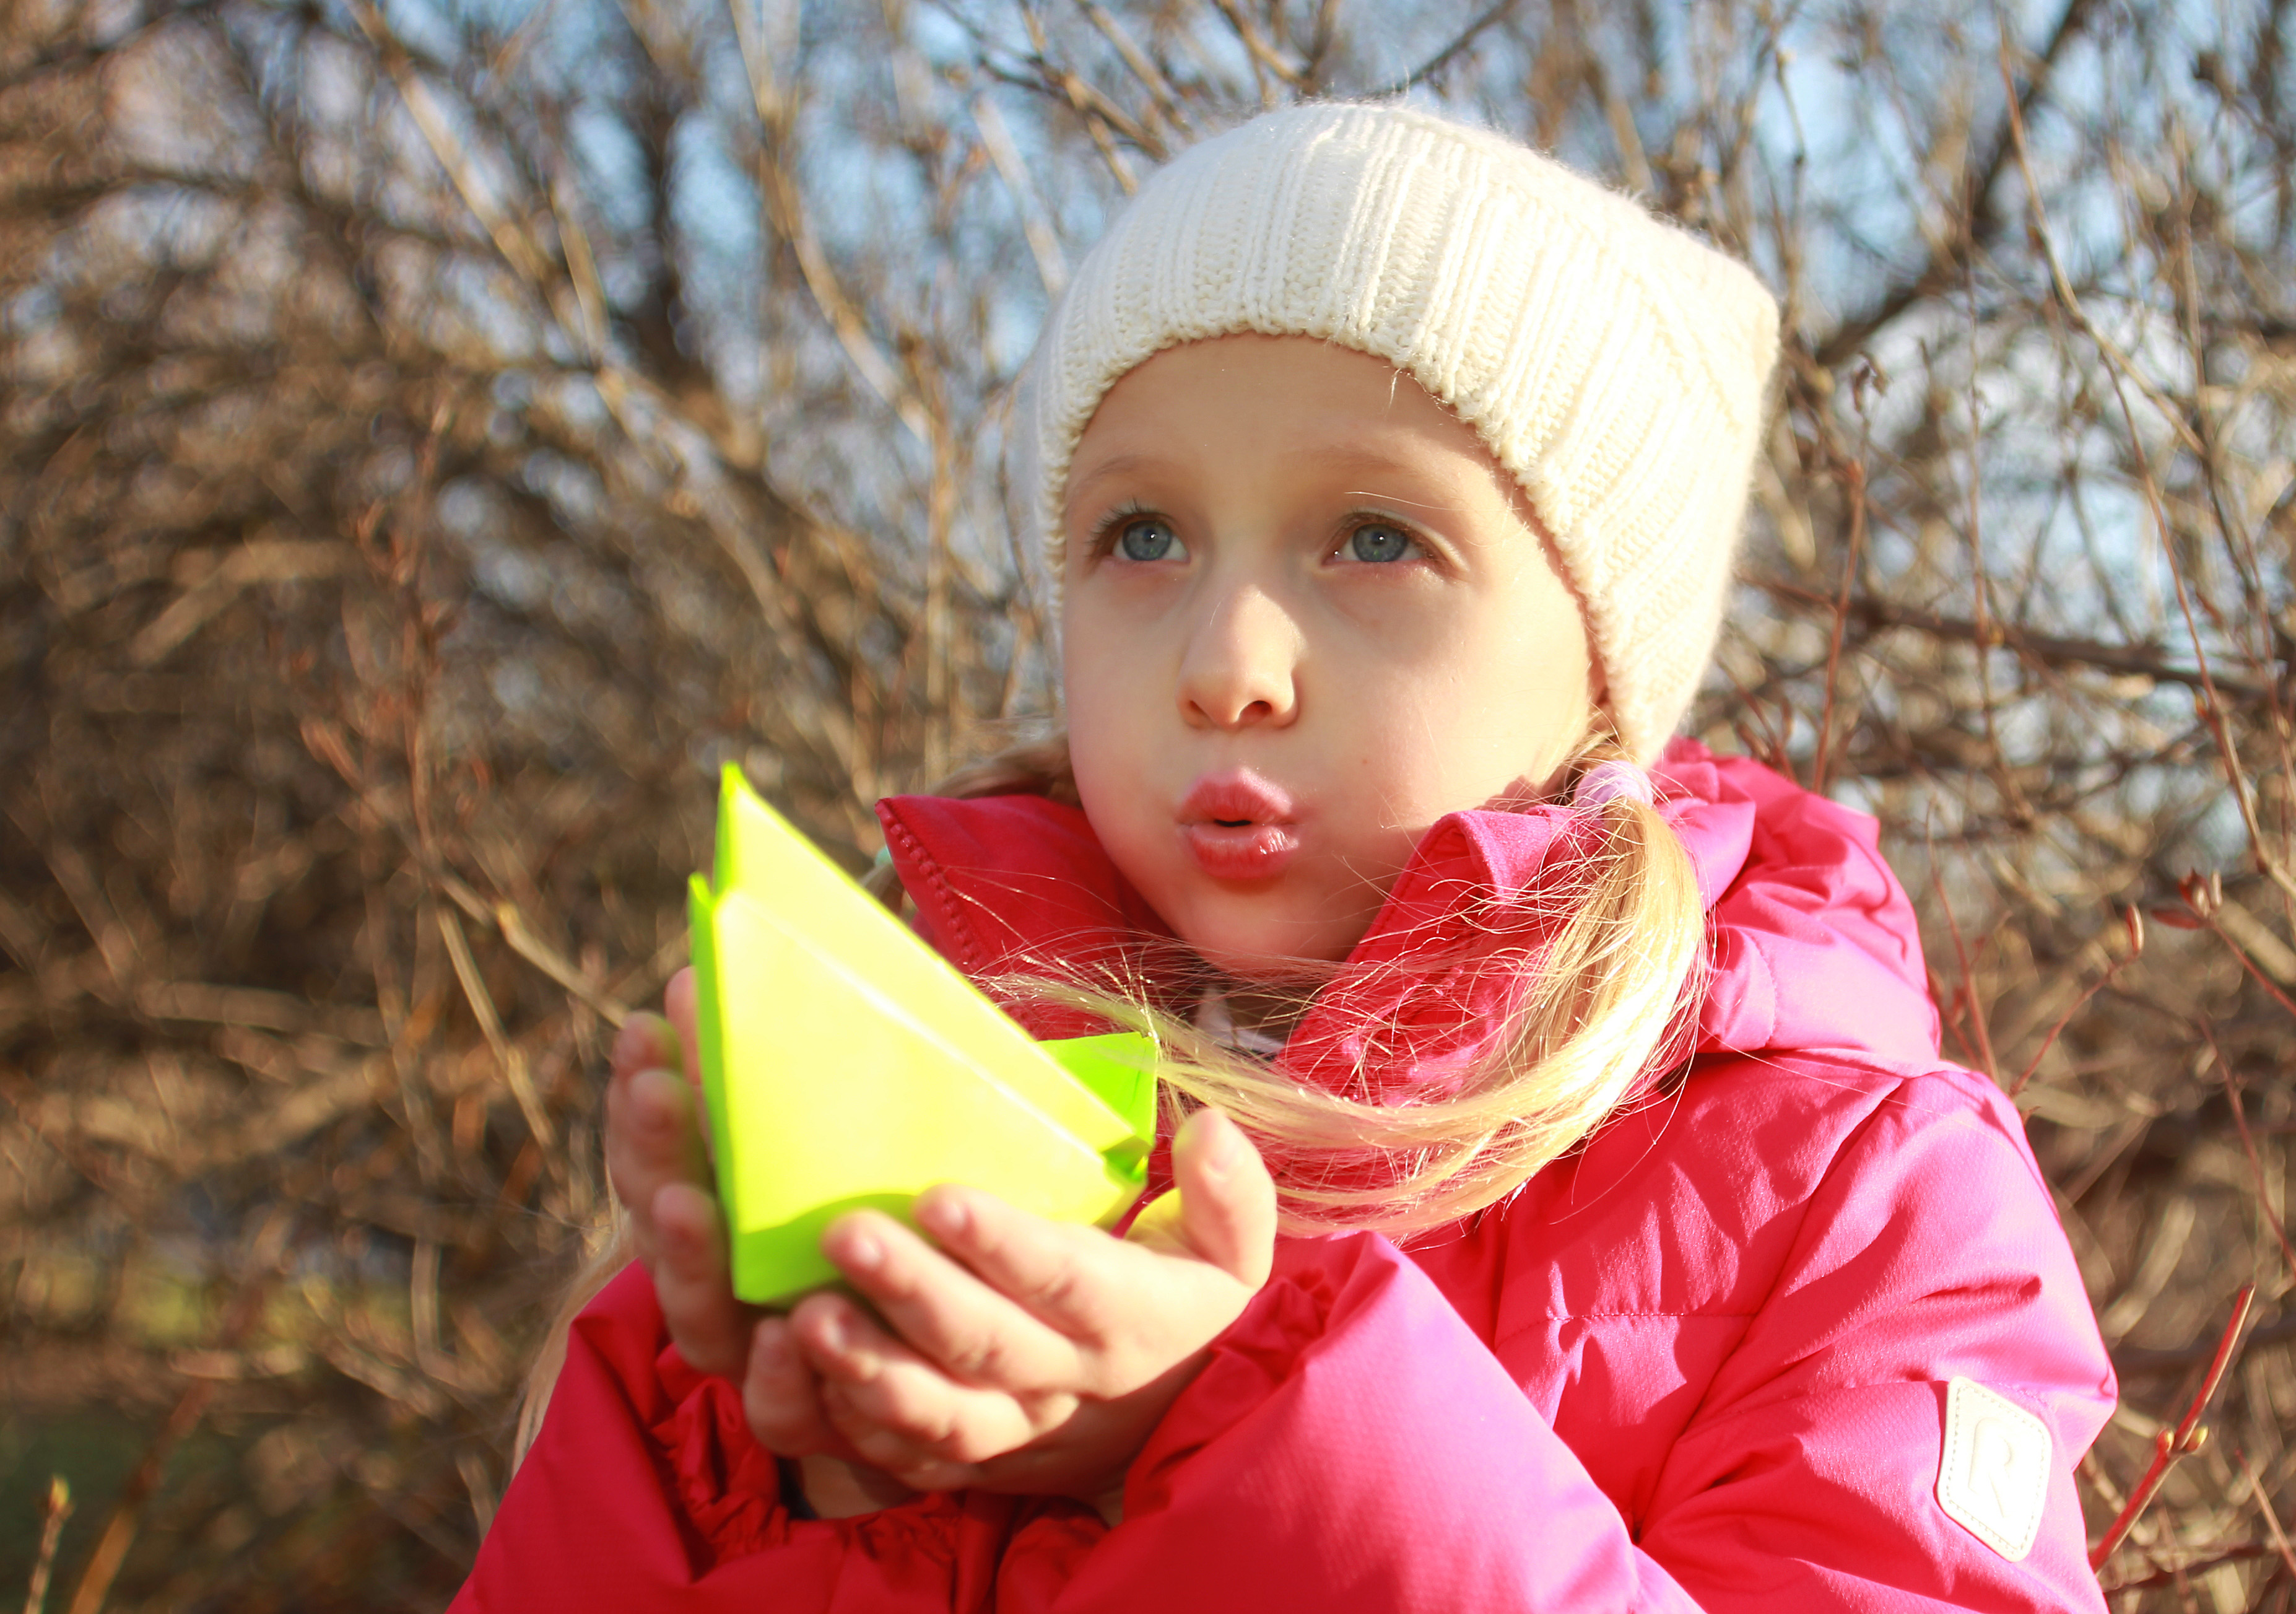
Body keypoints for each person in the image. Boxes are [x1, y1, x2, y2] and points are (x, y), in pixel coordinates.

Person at [454, 102, 2116, 1611]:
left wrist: (1213, 1425)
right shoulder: (893, 1106)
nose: (1225, 655)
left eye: (1375, 538)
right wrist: (820, 1477)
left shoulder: (1858, 1197)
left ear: (1606, 675)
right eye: (1142, 536)